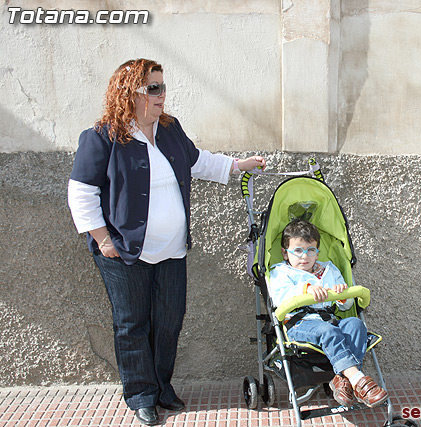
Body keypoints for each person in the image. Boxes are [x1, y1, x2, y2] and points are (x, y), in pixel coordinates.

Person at [67, 58, 266, 426]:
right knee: (132, 324)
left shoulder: (170, 129)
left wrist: (238, 165)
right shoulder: (102, 136)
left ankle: (161, 387)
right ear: (130, 93)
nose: (162, 95)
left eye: (162, 86)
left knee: (170, 320)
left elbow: (196, 161)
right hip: (124, 252)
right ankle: (141, 395)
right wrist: (103, 240)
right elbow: (81, 192)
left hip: (172, 250)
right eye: (153, 88)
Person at [268, 219, 388, 408]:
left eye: (310, 250)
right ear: (285, 252)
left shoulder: (329, 269)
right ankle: (358, 380)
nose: (304, 256)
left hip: (330, 319)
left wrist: (342, 295)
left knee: (356, 325)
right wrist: (306, 290)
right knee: (327, 331)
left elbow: (345, 305)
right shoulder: (281, 273)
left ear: (317, 251)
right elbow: (280, 298)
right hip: (299, 323)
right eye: (297, 250)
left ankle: (342, 381)